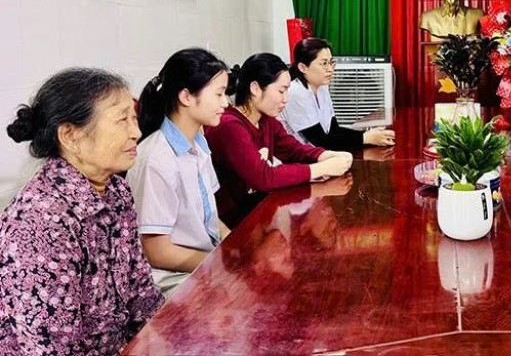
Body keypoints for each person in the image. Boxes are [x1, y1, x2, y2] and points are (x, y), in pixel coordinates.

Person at [0, 68, 163, 354]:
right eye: (122, 120)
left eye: (134, 118)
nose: (136, 133)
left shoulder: (116, 190)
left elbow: (140, 290)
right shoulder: (41, 222)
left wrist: (166, 338)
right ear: (70, 135)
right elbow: (51, 348)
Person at [127, 48, 232, 297]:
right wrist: (219, 262)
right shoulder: (157, 159)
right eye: (219, 94)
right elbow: (157, 252)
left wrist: (234, 245)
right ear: (186, 96)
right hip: (171, 279)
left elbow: (210, 217)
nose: (226, 103)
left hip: (201, 263)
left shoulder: (198, 144)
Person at [204, 52, 354, 228]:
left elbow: (293, 150)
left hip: (257, 216)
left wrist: (327, 155)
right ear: (255, 88)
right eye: (281, 91)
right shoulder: (229, 125)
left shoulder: (266, 120)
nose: (286, 99)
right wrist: (322, 168)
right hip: (232, 224)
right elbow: (263, 177)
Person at [278, 38, 395, 150]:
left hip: (316, 153)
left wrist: (368, 135)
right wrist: (365, 138)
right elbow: (321, 142)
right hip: (292, 157)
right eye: (324, 63)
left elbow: (334, 131)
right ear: (303, 67)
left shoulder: (322, 87)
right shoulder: (296, 93)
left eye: (331, 63)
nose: (330, 69)